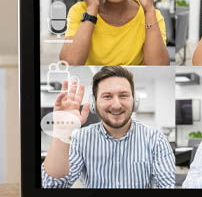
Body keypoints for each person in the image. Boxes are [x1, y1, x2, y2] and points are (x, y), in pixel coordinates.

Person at [42, 66, 175, 188]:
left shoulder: (155, 139)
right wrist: (62, 131)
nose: (116, 105)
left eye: (123, 95)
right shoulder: (80, 139)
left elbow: (169, 189)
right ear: (94, 103)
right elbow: (53, 187)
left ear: (135, 101)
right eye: (107, 96)